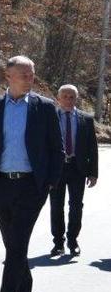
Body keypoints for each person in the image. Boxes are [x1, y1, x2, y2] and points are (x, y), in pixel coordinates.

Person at [0, 56, 63, 292]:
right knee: (13, 243)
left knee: (17, 244)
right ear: (8, 77)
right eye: (24, 75)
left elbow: (56, 149)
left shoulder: (44, 108)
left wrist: (49, 183)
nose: (29, 79)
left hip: (31, 187)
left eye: (31, 74)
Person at [49, 84, 98, 256]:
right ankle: (58, 243)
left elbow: (92, 147)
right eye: (65, 97)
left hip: (78, 168)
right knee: (56, 206)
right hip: (56, 168)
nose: (68, 100)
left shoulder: (86, 119)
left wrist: (93, 173)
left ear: (76, 99)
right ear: (58, 98)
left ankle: (73, 241)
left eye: (72, 97)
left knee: (76, 206)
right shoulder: (50, 117)